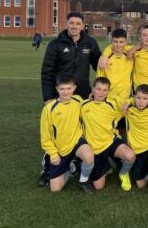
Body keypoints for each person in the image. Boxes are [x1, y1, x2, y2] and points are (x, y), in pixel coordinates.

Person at [38, 11, 101, 187]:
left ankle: (79, 163)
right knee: (56, 132)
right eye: (71, 23)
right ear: (66, 24)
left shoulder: (90, 43)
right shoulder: (56, 44)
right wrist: (48, 97)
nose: (74, 26)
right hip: (61, 96)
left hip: (81, 96)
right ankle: (48, 169)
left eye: (77, 23)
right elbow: (47, 71)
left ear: (83, 25)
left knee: (81, 130)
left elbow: (100, 66)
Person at [40, 75, 95, 194]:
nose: (65, 92)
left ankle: (84, 181)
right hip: (60, 149)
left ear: (74, 88)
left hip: (76, 141)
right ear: (57, 89)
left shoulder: (78, 100)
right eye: (62, 89)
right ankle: (71, 167)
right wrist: (53, 154)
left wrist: (92, 98)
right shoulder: (49, 109)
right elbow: (45, 136)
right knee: (55, 189)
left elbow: (88, 109)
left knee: (89, 156)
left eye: (68, 88)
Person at [80, 77, 136, 191]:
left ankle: (123, 174)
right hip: (94, 148)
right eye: (98, 89)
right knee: (99, 186)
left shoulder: (113, 105)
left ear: (108, 92)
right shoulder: (83, 105)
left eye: (105, 90)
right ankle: (105, 166)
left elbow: (132, 102)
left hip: (111, 141)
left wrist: (115, 97)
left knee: (130, 156)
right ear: (93, 89)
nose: (101, 93)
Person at [96, 28, 133, 124]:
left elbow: (141, 45)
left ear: (126, 42)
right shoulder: (104, 58)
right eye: (115, 41)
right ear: (111, 41)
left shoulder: (130, 54)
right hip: (109, 97)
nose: (118, 45)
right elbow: (99, 78)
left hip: (124, 97)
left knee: (123, 125)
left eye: (121, 42)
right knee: (108, 124)